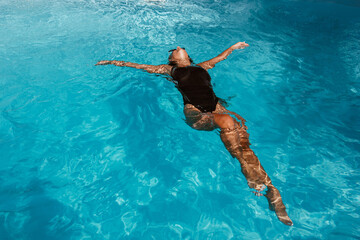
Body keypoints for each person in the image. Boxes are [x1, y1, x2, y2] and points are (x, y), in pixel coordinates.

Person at [95, 42, 293, 226]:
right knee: (228, 122)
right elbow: (137, 66)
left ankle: (271, 188)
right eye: (174, 49)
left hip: (216, 109)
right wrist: (113, 62)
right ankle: (245, 169)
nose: (178, 46)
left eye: (180, 47)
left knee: (243, 140)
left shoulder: (202, 66)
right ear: (172, 59)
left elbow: (221, 57)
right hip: (196, 114)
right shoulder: (169, 69)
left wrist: (233, 47)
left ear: (189, 57)